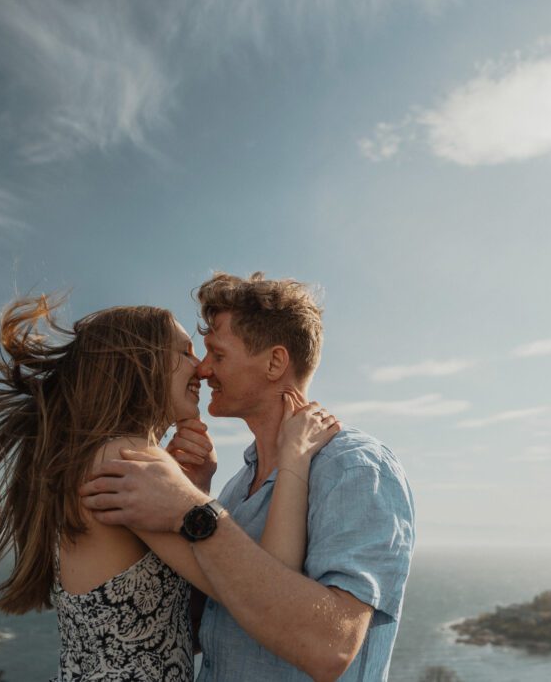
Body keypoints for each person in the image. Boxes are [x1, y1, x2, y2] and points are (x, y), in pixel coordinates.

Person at [0, 295, 340, 681]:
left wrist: (192, 489)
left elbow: (185, 607)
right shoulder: (127, 459)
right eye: (185, 353)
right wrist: (294, 458)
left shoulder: (104, 456)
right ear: (141, 364)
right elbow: (268, 593)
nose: (201, 369)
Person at [80, 272, 416, 681]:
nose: (203, 370)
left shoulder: (353, 468)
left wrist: (191, 509)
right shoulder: (238, 484)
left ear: (275, 362)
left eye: (217, 355)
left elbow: (330, 647)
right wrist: (192, 493)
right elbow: (216, 616)